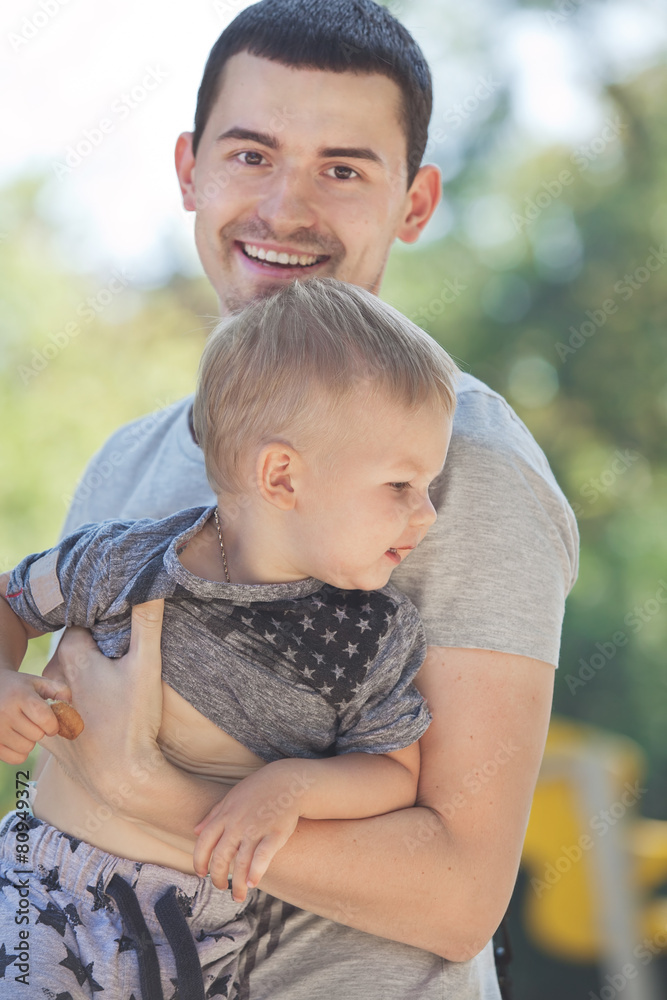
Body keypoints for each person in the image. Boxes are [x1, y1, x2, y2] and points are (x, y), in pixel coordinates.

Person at [20, 1, 579, 997]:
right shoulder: (127, 461)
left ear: (413, 202)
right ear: (189, 168)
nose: (285, 208)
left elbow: (459, 894)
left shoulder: (471, 465)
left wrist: (148, 791)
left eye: (343, 168)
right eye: (251, 155)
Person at [0, 278, 457, 996]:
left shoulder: (370, 638)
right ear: (280, 475)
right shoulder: (122, 559)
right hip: (28, 892)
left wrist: (292, 786)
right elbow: (12, 604)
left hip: (180, 943)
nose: (426, 514)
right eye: (400, 486)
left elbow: (394, 774)